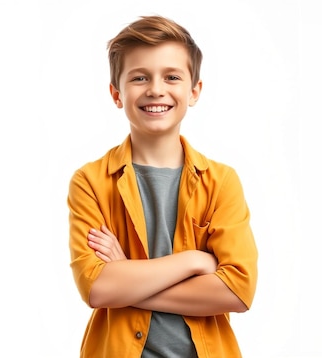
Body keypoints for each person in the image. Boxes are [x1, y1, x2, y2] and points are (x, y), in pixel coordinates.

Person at [67, 14, 258, 358]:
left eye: (171, 76)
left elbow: (238, 291)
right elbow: (96, 288)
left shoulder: (221, 182)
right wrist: (194, 261)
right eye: (139, 77)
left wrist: (126, 279)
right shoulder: (91, 182)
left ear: (194, 90)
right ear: (116, 94)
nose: (156, 89)